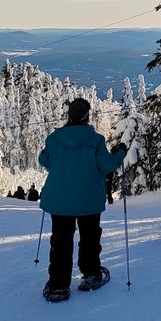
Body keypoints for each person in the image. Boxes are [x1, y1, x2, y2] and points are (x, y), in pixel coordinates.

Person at [38, 97, 127, 302]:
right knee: (89, 238)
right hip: (88, 199)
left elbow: (44, 160)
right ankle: (91, 275)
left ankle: (58, 286)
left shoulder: (54, 139)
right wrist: (120, 152)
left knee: (60, 240)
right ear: (87, 117)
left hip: (60, 200)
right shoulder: (96, 140)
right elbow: (107, 166)